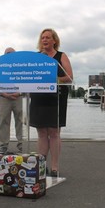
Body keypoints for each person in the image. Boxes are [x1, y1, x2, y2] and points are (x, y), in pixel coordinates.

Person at [29, 28, 73, 177]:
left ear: (54, 40)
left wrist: (52, 80)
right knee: (41, 132)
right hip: (38, 98)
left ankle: (54, 167)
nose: (45, 40)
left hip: (56, 98)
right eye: (42, 38)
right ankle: (41, 166)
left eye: (48, 37)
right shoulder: (36, 57)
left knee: (54, 132)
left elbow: (69, 77)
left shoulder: (61, 56)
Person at [0, 47, 23, 154]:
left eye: (11, 53)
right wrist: (5, 94)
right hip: (4, 98)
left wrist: (19, 93)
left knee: (20, 120)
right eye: (7, 53)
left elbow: (26, 82)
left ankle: (21, 144)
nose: (9, 55)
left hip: (18, 97)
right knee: (4, 121)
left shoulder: (20, 67)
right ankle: (3, 145)